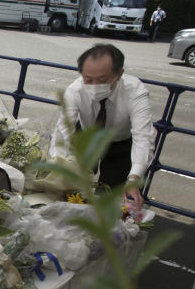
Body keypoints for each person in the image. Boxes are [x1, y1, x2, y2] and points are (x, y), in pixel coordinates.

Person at [49, 43, 155, 211]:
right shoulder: (75, 90)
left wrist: (134, 179)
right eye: (88, 79)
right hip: (86, 137)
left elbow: (143, 137)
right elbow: (63, 132)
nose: (94, 85)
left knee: (111, 196)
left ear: (119, 74)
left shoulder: (135, 91)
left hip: (119, 143)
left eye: (103, 80)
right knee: (72, 187)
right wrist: (59, 168)